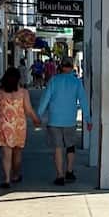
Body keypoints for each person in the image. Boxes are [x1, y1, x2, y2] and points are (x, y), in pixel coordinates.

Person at [38, 57, 93, 185]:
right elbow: (83, 101)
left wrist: (38, 115)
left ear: (61, 67)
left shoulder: (53, 80)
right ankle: (69, 171)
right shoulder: (76, 82)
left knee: (58, 147)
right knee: (70, 146)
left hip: (54, 120)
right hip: (70, 120)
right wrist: (88, 119)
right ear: (72, 67)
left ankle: (60, 176)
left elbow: (45, 99)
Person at [0, 66, 40, 189]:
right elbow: (28, 109)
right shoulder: (23, 92)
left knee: (6, 154)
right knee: (17, 152)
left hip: (4, 125)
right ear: (18, 79)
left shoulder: (0, 92)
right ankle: (15, 175)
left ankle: (7, 179)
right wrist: (36, 120)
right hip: (19, 126)